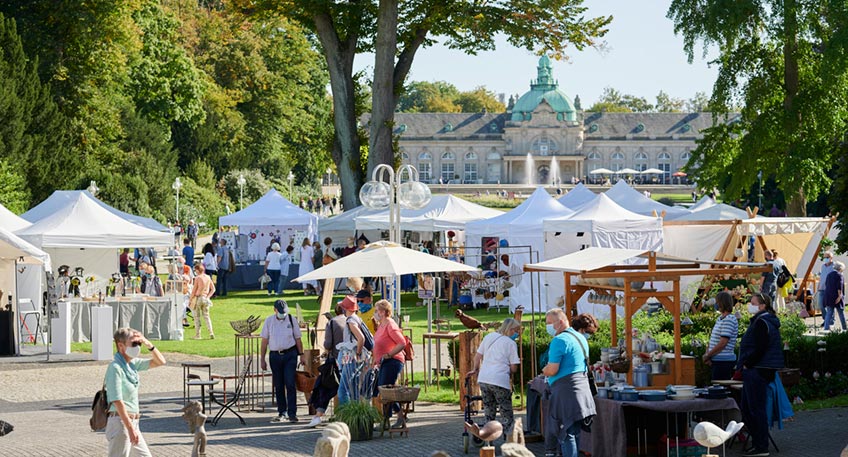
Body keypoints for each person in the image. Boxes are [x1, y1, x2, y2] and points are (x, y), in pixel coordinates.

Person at [542, 308, 596, 457]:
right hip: (582, 391)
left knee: (566, 434)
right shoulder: (580, 337)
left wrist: (545, 370)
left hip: (567, 393)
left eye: (549, 323)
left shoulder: (559, 340)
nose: (548, 327)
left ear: (560, 322)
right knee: (574, 432)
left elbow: (552, 369)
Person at [104, 327, 165, 457]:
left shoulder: (132, 364)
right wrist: (130, 428)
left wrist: (148, 344)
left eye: (139, 344)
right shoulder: (115, 367)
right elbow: (117, 400)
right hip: (120, 422)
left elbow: (160, 361)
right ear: (121, 346)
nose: (137, 347)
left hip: (133, 421)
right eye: (134, 343)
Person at [737, 293, 784, 457]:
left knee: (755, 408)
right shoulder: (765, 321)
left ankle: (761, 446)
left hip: (758, 369)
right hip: (761, 368)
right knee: (749, 408)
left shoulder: (762, 322)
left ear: (762, 306)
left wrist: (748, 363)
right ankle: (758, 443)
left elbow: (760, 347)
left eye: (753, 303)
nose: (750, 305)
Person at [466, 318, 521, 436]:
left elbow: (478, 356)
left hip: (484, 379)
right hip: (500, 380)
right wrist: (513, 366)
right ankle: (508, 436)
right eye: (517, 330)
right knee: (505, 411)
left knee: (489, 409)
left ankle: (487, 435)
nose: (518, 333)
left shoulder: (489, 337)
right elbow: (513, 368)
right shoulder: (511, 344)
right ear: (510, 330)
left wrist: (475, 369)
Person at [260, 299, 304, 423]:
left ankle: (292, 413)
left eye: (284, 312)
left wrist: (302, 355)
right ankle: (282, 412)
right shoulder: (269, 321)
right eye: (280, 312)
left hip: (290, 354)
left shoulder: (291, 319)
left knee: (290, 383)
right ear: (275, 310)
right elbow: (264, 341)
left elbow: (298, 339)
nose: (282, 314)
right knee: (278, 384)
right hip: (275, 355)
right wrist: (262, 359)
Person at [307, 303, 347, 428]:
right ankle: (344, 414)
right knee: (346, 389)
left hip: (334, 361)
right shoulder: (352, 320)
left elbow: (328, 344)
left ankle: (318, 415)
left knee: (323, 388)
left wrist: (326, 349)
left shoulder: (332, 323)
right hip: (349, 360)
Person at [372, 299, 407, 428]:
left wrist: (389, 354)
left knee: (385, 390)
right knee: (384, 390)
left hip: (393, 361)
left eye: (376, 310)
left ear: (383, 312)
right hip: (383, 362)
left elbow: (402, 342)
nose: (375, 313)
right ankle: (399, 416)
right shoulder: (381, 324)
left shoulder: (390, 325)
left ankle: (386, 420)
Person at [336, 295, 369, 405]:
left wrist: (358, 353)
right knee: (353, 389)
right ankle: (355, 412)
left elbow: (361, 338)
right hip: (355, 356)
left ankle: (346, 413)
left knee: (343, 390)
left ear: (346, 308)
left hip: (351, 356)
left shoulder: (351, 321)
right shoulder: (357, 318)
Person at [703, 291, 738, 381]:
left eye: (717, 302)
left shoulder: (729, 320)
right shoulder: (720, 319)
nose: (715, 304)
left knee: (721, 386)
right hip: (717, 359)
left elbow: (723, 343)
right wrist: (708, 353)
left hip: (724, 361)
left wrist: (708, 355)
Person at [190, 264, 216, 339]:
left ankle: (198, 335)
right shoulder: (208, 277)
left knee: (197, 317)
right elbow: (213, 289)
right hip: (205, 298)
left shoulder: (198, 278)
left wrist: (190, 299)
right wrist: (208, 297)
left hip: (199, 298)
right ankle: (211, 332)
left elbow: (194, 290)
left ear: (198, 270)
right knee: (207, 316)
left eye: (195, 270)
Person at [823, 261, 846, 331]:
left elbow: (826, 285)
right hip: (836, 296)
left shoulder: (829, 275)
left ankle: (826, 328)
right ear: (840, 268)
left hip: (828, 296)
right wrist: (839, 297)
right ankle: (845, 328)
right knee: (841, 313)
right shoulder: (840, 275)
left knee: (829, 313)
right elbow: (839, 287)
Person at [819, 251, 836, 321]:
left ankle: (830, 321)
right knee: (821, 305)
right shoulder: (823, 266)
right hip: (821, 288)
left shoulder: (834, 266)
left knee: (830, 306)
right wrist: (819, 285)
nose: (826, 258)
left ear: (831, 257)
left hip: (830, 289)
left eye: (827, 257)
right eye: (824, 257)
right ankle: (826, 320)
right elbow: (821, 277)